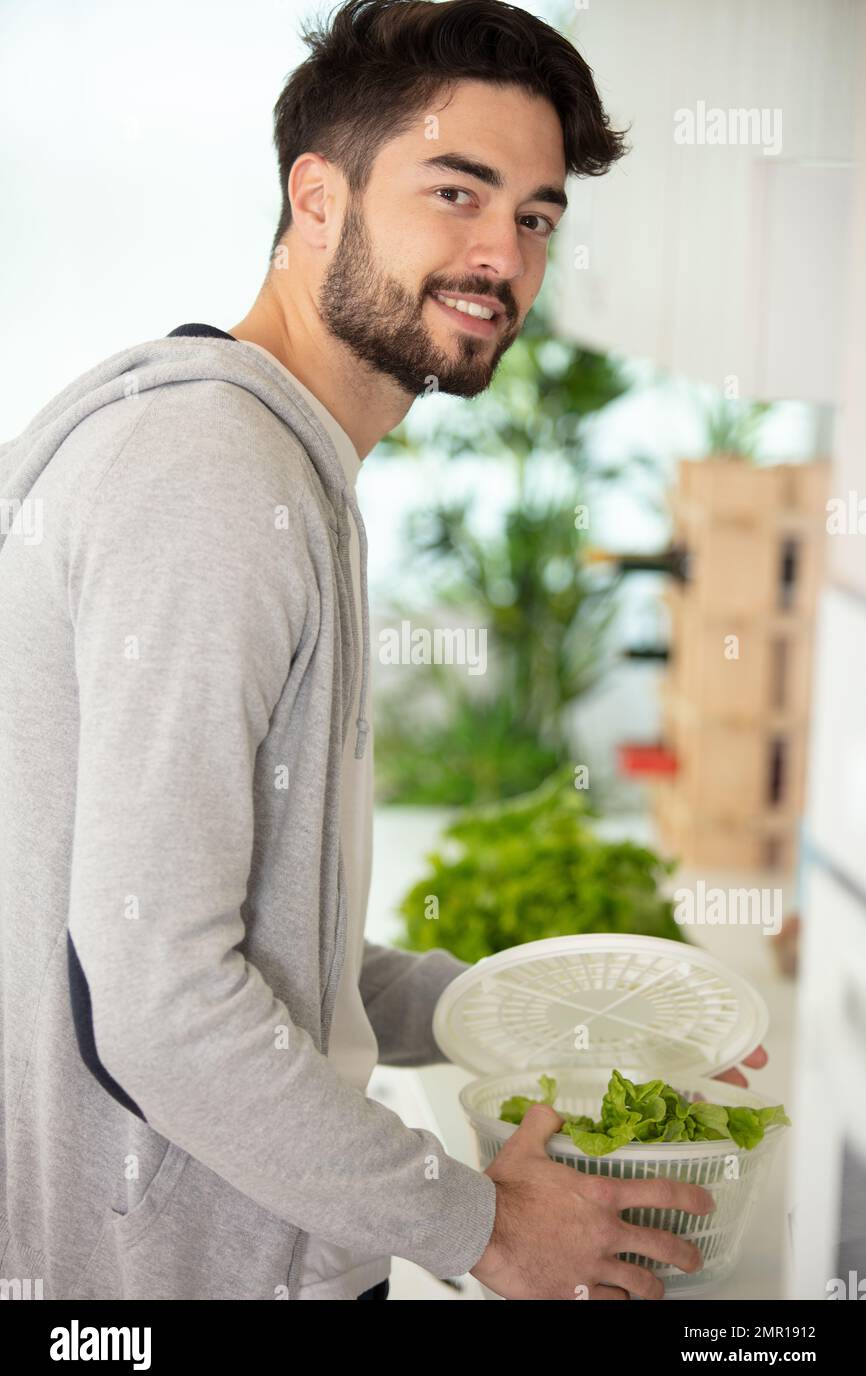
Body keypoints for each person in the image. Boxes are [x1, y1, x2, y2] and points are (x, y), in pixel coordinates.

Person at [0, 0, 767, 1303]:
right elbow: (157, 1004)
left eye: (532, 216)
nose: (500, 253)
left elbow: (251, 936)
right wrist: (483, 1224)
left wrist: (570, 1024)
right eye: (455, 191)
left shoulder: (282, 472)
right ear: (316, 198)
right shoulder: (211, 477)